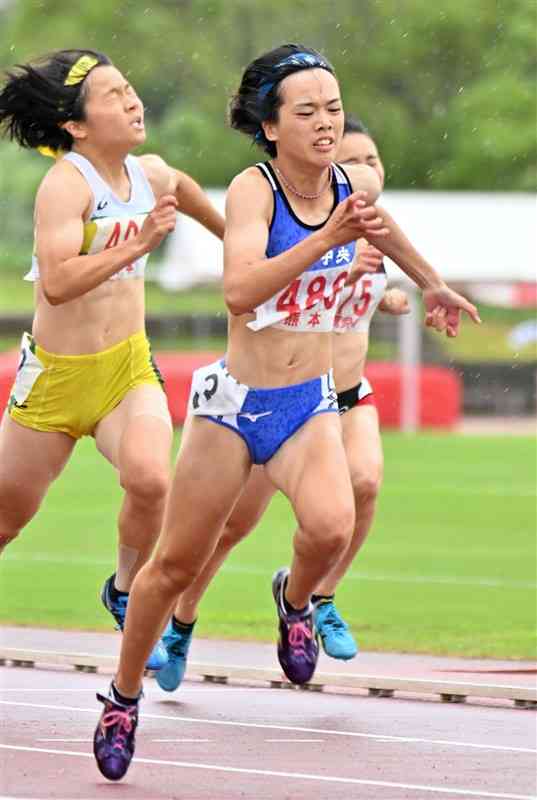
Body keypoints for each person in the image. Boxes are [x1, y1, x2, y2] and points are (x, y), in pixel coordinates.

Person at [92, 43, 480, 782]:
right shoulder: (254, 189)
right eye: (306, 112)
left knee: (333, 524)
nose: (325, 124)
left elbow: (382, 226)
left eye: (332, 109)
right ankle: (122, 694)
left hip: (307, 406)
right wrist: (324, 242)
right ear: (272, 127)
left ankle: (294, 600)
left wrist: (431, 282)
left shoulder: (344, 185)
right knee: (172, 565)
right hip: (234, 408)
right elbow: (239, 291)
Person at [154, 114, 409, 692]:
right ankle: (182, 621)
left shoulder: (373, 228)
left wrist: (394, 293)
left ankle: (317, 598)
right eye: (354, 161)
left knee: (362, 486)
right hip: (275, 395)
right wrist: (345, 275)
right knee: (229, 527)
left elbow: (368, 298)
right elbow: (280, 297)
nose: (365, 172)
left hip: (343, 393)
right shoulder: (292, 219)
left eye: (373, 161)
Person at [0, 49, 225, 670]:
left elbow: (180, 186)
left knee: (153, 479)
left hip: (126, 368)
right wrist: (145, 241)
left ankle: (124, 592)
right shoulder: (64, 186)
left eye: (131, 89)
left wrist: (239, 246)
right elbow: (58, 283)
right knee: (5, 521)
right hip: (55, 380)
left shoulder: (148, 173)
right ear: (75, 124)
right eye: (114, 95)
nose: (133, 102)